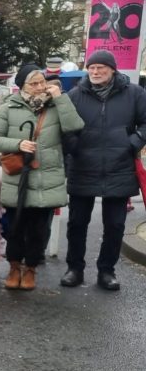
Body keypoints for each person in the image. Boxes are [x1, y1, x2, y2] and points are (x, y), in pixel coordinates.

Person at [0, 64, 84, 291]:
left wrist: (60, 98)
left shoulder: (56, 105)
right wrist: (18, 144)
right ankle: (14, 268)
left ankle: (30, 269)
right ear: (22, 86)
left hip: (46, 177)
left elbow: (75, 126)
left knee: (38, 230)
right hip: (18, 178)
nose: (40, 87)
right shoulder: (8, 107)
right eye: (34, 83)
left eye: (42, 82)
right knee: (15, 228)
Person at [62, 50, 146, 290]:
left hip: (120, 167)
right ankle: (74, 269)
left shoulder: (135, 94)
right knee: (77, 223)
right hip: (83, 166)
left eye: (101, 68)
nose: (95, 72)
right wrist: (73, 146)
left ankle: (107, 271)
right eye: (92, 68)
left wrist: (132, 143)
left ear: (113, 70)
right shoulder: (75, 95)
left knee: (115, 225)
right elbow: (65, 127)